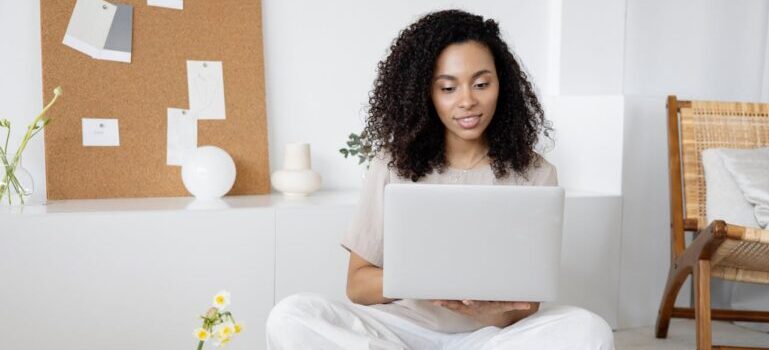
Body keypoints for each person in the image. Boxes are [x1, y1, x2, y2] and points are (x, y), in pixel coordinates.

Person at [266, 9, 614, 349]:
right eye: (448, 88)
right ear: (426, 94)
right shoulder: (392, 165)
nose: (467, 101)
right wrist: (420, 280)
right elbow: (357, 285)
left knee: (589, 330)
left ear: (501, 86)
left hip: (489, 336)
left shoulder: (536, 173)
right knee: (291, 315)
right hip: (400, 329)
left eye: (481, 84)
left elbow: (529, 305)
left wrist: (488, 311)